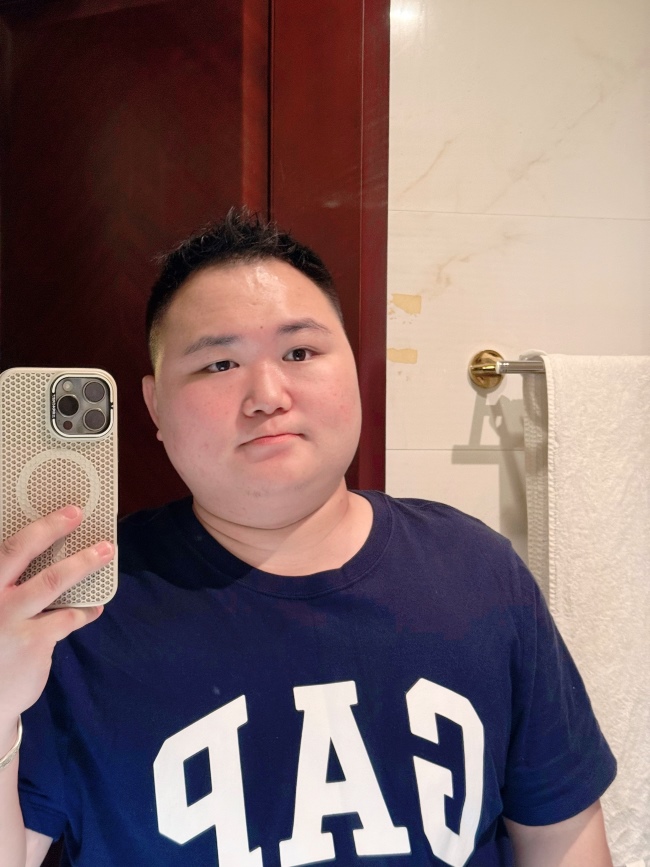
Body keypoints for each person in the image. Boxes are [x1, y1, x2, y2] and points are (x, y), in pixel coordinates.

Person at [0, 208, 616, 867]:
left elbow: (561, 837)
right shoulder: (71, 611)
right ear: (154, 405)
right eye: (219, 363)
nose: (267, 395)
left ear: (354, 367)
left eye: (300, 352)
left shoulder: (478, 570)